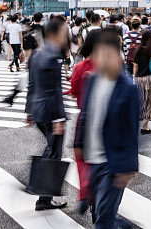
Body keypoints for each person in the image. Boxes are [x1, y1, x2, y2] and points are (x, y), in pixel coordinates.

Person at [73, 28, 141, 229]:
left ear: (118, 57)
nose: (103, 60)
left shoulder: (128, 88)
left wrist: (128, 166)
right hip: (92, 158)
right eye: (99, 55)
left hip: (113, 162)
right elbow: (85, 113)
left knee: (103, 217)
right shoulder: (92, 79)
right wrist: (78, 143)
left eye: (108, 55)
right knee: (102, 212)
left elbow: (132, 130)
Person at [25, 18, 68, 211]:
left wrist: (29, 110)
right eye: (64, 32)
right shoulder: (52, 55)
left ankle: (42, 193)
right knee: (53, 152)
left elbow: (31, 83)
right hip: (51, 112)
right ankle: (43, 196)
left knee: (51, 149)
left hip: (37, 108)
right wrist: (59, 118)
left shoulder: (36, 53)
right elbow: (55, 89)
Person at [66, 27, 97, 215]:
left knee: (82, 160)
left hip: (84, 117)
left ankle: (84, 194)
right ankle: (97, 196)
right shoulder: (106, 67)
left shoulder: (80, 67)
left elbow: (74, 91)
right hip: (103, 120)